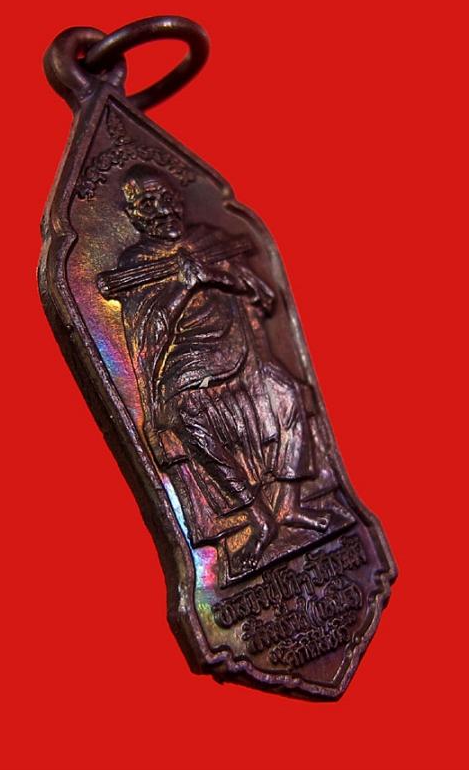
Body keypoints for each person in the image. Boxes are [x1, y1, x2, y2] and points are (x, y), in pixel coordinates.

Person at [105, 165, 329, 573]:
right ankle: (258, 517)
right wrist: (184, 285)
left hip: (242, 355)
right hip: (187, 367)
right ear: (135, 215)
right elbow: (149, 334)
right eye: (148, 204)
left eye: (167, 199)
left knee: (288, 394)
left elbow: (263, 298)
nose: (162, 211)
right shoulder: (135, 263)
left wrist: (221, 277)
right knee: (187, 420)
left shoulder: (210, 240)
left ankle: (290, 505)